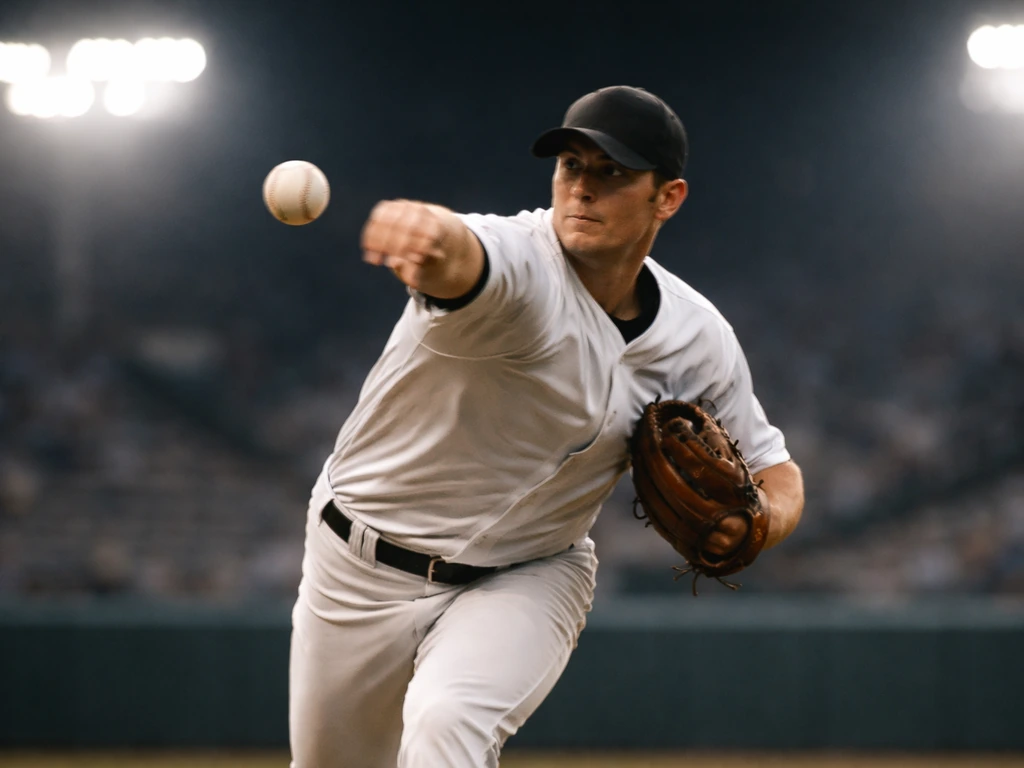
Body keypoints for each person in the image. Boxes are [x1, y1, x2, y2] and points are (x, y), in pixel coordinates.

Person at [289, 85, 805, 768]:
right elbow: (464, 256)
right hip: (358, 566)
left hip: (528, 573)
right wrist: (432, 234)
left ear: (668, 197)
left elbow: (775, 468)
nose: (583, 189)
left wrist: (763, 518)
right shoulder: (522, 261)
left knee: (447, 726)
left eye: (612, 172)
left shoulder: (697, 336)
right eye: (571, 166)